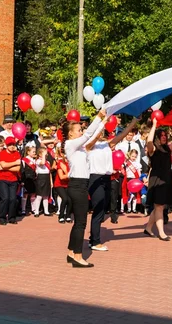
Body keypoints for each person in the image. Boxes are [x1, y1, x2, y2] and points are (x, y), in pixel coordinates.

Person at [85, 118, 138, 251]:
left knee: (103, 210)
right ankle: (95, 242)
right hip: (95, 178)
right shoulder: (89, 145)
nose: (102, 132)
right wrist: (101, 122)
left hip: (107, 178)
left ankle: (93, 239)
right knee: (97, 210)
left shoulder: (107, 144)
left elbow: (123, 134)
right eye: (100, 130)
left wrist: (134, 122)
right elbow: (95, 136)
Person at [62, 109, 106, 268]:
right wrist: (98, 116)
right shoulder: (70, 144)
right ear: (70, 134)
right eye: (79, 130)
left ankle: (71, 252)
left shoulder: (79, 147)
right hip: (77, 186)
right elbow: (88, 135)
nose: (82, 131)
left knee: (78, 223)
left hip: (81, 186)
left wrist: (103, 121)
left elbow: (92, 136)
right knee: (81, 223)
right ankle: (78, 256)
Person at [0, 137, 22, 225]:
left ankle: (12, 217)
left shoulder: (17, 153)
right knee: (5, 198)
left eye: (13, 144)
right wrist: (15, 162)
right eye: (10, 145)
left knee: (13, 199)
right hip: (2, 178)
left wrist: (6, 167)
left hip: (13, 179)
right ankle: (2, 218)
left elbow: (18, 168)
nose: (11, 146)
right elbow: (3, 165)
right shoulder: (2, 153)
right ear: (6, 145)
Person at [54, 149, 71, 223]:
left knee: (70, 200)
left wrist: (67, 172)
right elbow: (61, 177)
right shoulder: (61, 163)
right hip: (59, 184)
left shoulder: (72, 164)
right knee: (65, 199)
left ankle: (68, 216)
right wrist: (69, 174)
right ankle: (61, 216)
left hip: (68, 184)